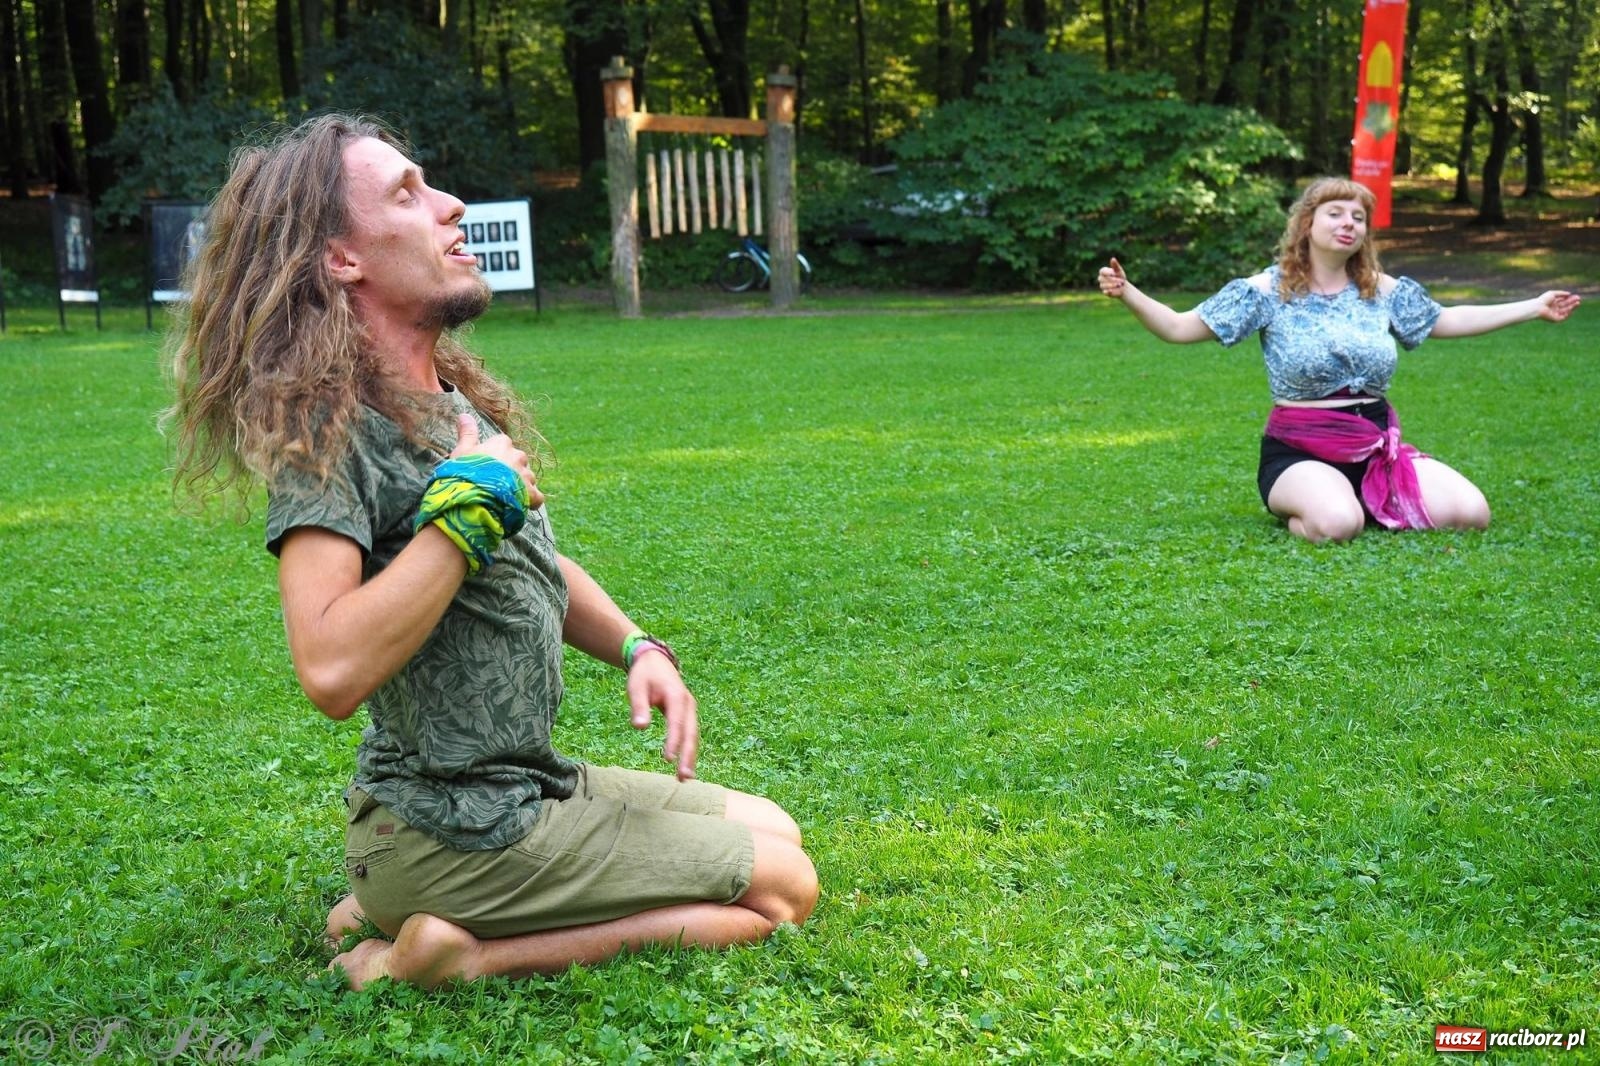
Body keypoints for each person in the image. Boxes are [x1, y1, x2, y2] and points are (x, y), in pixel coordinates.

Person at [166, 114, 818, 989]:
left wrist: (635, 645)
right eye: (407, 193)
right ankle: (454, 951)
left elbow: (530, 565)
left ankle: (376, 902)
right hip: (452, 824)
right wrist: (465, 511)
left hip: (524, 782)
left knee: (776, 825)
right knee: (784, 888)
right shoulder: (330, 434)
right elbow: (327, 668)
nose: (450, 204)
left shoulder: (456, 407)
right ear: (340, 259)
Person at [1097, 177, 1581, 543]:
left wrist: (1533, 306)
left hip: (1374, 446)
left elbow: (1446, 320)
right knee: (1337, 525)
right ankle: (1331, 503)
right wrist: (1128, 293)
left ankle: (1362, 494)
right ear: (1308, 223)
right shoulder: (1266, 290)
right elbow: (1179, 327)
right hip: (1299, 450)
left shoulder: (1379, 289)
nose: (1349, 222)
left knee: (1471, 512)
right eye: (1336, 213)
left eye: (1358, 216)